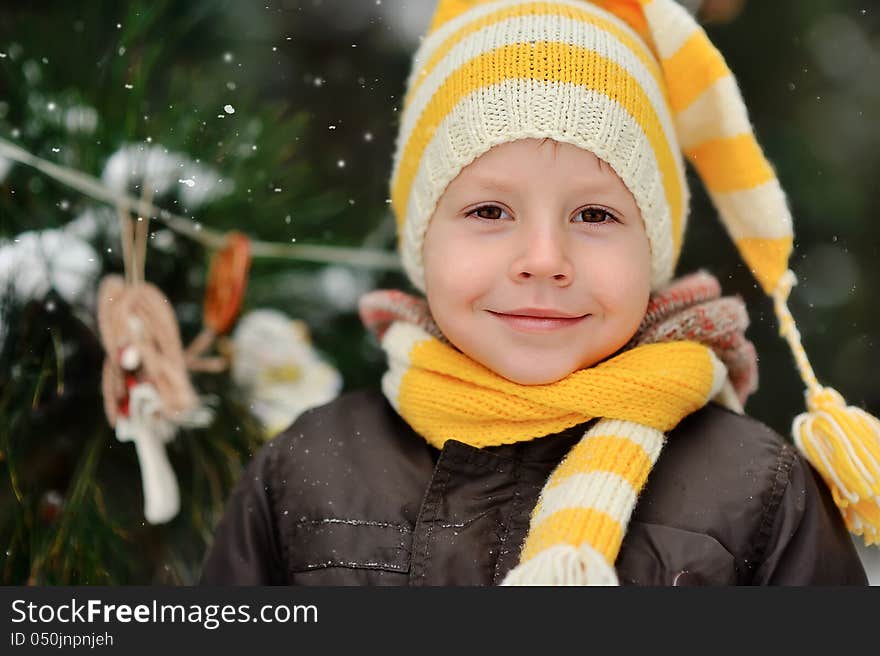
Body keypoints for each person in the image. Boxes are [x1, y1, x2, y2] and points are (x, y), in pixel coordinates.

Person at [200, 0, 876, 585]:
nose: (544, 260)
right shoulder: (308, 470)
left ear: (654, 252)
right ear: (422, 240)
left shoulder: (756, 490)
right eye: (490, 212)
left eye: (595, 216)